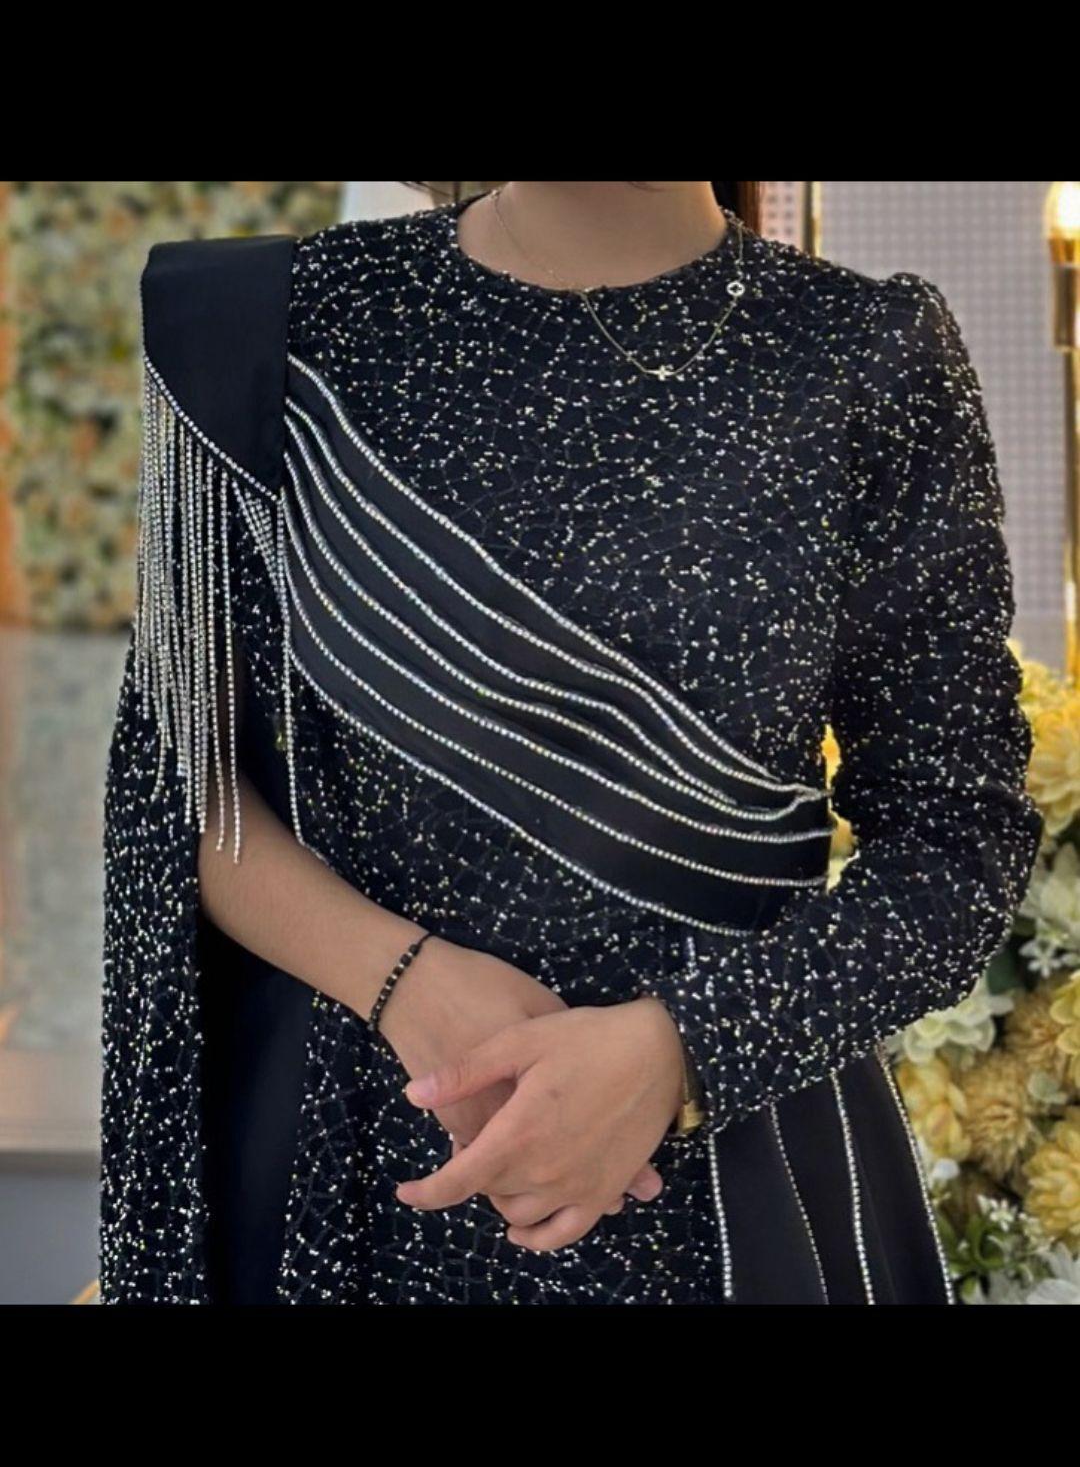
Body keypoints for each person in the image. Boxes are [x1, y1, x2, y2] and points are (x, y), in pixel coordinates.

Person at [98, 180, 1042, 1305]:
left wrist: (685, 1051)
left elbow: (955, 846)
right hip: (361, 1171)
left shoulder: (867, 351)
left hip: (738, 1174)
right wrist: (405, 985)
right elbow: (180, 783)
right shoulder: (278, 324)